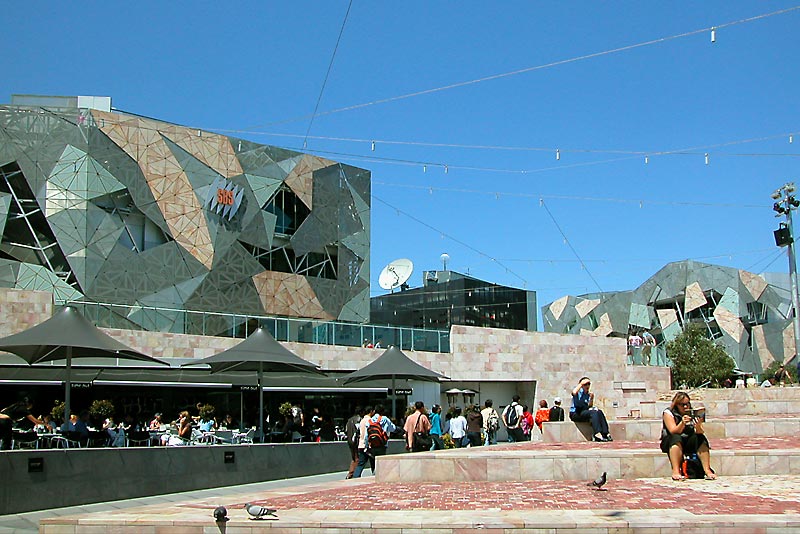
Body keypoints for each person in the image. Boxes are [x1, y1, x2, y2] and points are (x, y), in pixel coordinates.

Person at [660, 391, 716, 481]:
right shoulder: (668, 413)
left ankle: (707, 470)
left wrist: (698, 425)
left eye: (687, 404)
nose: (686, 407)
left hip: (688, 439)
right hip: (671, 439)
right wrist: (682, 423)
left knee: (701, 438)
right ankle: (676, 470)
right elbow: (673, 430)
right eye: (682, 405)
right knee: (676, 437)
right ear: (676, 404)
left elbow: (699, 432)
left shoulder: (692, 413)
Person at [570, 377, 612, 442]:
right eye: (585, 384)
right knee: (593, 413)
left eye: (588, 384)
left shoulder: (587, 394)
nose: (587, 386)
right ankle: (597, 433)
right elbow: (573, 392)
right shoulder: (579, 392)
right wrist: (581, 384)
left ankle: (605, 433)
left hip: (583, 411)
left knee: (599, 412)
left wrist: (591, 399)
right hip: (576, 413)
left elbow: (589, 406)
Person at [352, 406, 376, 478]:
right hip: (368, 445)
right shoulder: (370, 420)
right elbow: (367, 434)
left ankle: (355, 477)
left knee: (360, 464)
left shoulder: (362, 421)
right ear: (371, 411)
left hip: (361, 445)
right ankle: (375, 477)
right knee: (374, 463)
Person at [345, 406, 363, 478]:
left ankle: (351, 473)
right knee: (357, 458)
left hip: (349, 441)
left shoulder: (349, 420)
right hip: (356, 441)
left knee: (354, 458)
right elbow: (359, 430)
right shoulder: (359, 420)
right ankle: (351, 474)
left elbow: (346, 430)